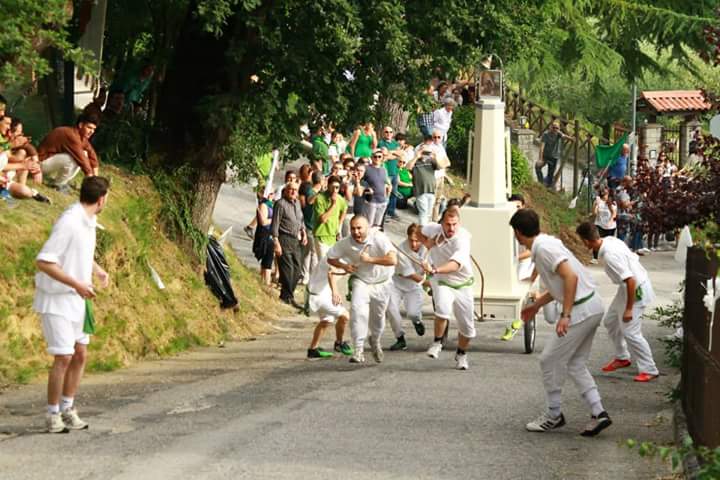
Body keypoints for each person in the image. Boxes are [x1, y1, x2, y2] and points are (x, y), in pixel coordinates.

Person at [511, 208, 612, 436]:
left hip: (580, 311)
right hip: (591, 306)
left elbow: (571, 277)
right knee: (575, 364)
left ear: (517, 233)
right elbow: (561, 282)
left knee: (548, 360)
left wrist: (565, 315)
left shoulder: (544, 249)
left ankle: (553, 414)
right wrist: (537, 305)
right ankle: (598, 412)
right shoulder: (546, 243)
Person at [33, 176, 110, 433]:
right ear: (101, 199)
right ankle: (52, 414)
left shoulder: (89, 221)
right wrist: (76, 283)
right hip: (56, 299)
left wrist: (97, 270)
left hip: (77, 299)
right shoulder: (69, 222)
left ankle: (68, 408)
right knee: (64, 356)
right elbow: (44, 261)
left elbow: (81, 253)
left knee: (80, 354)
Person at [575, 222, 659, 382]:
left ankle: (650, 369)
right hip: (627, 287)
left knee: (631, 332)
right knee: (611, 321)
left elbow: (630, 280)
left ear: (586, 241)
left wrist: (628, 309)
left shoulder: (609, 254)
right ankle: (622, 357)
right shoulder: (610, 240)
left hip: (636, 289)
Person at [327, 215, 397, 364]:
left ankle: (375, 340)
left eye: (359, 228)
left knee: (378, 319)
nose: (356, 232)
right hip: (362, 280)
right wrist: (344, 266)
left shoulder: (378, 238)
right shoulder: (345, 243)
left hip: (382, 283)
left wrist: (370, 259)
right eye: (353, 228)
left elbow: (393, 260)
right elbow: (330, 258)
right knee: (358, 312)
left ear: (367, 228)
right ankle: (358, 350)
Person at [418, 206, 475, 370]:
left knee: (467, 328)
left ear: (459, 223)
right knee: (442, 309)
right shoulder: (434, 229)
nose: (451, 228)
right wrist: (428, 242)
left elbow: (455, 265)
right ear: (441, 223)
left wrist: (435, 269)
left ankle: (462, 354)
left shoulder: (463, 239)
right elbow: (416, 230)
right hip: (441, 281)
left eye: (454, 224)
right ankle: (437, 342)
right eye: (448, 224)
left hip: (462, 284)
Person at [387, 224, 427, 351]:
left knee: (413, 313)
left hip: (414, 287)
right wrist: (431, 285)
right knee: (391, 310)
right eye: (411, 240)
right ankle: (400, 338)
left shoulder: (427, 249)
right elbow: (410, 274)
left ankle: (417, 321)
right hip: (397, 283)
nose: (414, 244)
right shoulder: (401, 249)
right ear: (407, 237)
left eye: (417, 241)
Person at [306, 256, 353, 359]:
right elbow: (330, 273)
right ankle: (339, 344)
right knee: (345, 316)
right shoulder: (336, 255)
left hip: (320, 291)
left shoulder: (343, 254)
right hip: (318, 295)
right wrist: (335, 292)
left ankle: (313, 350)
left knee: (326, 321)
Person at [38, 113, 100, 191]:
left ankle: (62, 182)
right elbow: (81, 159)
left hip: (48, 164)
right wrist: (91, 182)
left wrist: (96, 179)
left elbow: (92, 154)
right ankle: (58, 184)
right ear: (81, 125)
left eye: (94, 129)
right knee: (74, 158)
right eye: (89, 127)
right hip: (39, 164)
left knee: (85, 153)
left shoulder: (81, 136)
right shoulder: (71, 135)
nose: (92, 131)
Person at [271, 181, 307, 307]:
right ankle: (289, 297)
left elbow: (300, 219)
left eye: (295, 190)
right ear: (285, 191)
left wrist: (304, 232)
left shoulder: (297, 203)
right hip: (283, 238)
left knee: (297, 269)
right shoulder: (280, 204)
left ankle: (285, 294)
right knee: (288, 269)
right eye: (290, 189)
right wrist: (276, 242)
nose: (293, 192)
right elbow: (275, 224)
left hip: (295, 239)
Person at [313, 175, 347, 258]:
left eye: (337, 188)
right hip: (321, 235)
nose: (335, 190)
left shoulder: (340, 198)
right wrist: (333, 204)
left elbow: (344, 209)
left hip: (333, 235)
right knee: (323, 263)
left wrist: (339, 225)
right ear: (328, 186)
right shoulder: (320, 198)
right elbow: (323, 219)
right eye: (333, 187)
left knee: (331, 264)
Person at [406, 145, 440, 225]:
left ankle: (426, 230)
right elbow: (408, 167)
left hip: (431, 190)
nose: (425, 154)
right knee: (423, 212)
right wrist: (416, 156)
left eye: (427, 152)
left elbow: (440, 167)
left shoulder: (431, 162)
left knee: (428, 213)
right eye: (423, 152)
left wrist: (434, 156)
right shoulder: (416, 162)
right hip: (420, 191)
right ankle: (423, 231)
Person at [252, 189, 275, 286]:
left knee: (268, 259)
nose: (274, 195)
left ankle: (263, 282)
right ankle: (267, 282)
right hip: (264, 236)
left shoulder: (271, 205)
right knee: (267, 259)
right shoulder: (263, 205)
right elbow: (263, 222)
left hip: (269, 235)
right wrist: (274, 220)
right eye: (272, 193)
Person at [536, 121, 569, 188]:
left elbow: (564, 136)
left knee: (550, 174)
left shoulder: (559, 133)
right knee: (537, 167)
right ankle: (541, 182)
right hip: (546, 156)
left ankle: (548, 187)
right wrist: (540, 159)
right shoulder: (546, 134)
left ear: (559, 129)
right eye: (553, 127)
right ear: (550, 127)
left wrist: (571, 138)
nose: (555, 129)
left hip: (554, 157)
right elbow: (542, 147)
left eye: (557, 128)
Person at [363, 149, 391, 229]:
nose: (377, 158)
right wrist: (367, 188)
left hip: (383, 201)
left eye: (379, 157)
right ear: (371, 157)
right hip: (371, 201)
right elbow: (361, 181)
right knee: (369, 224)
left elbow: (386, 182)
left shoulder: (384, 169)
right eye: (375, 156)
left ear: (382, 158)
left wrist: (388, 191)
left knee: (377, 226)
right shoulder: (366, 168)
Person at [378, 126, 401, 219]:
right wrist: (394, 154)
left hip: (395, 171)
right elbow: (384, 155)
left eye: (390, 132)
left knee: (394, 193)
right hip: (386, 172)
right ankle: (383, 212)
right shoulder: (381, 143)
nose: (388, 134)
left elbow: (400, 154)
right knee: (385, 193)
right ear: (384, 133)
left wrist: (391, 152)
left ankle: (391, 211)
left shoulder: (395, 143)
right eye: (386, 132)